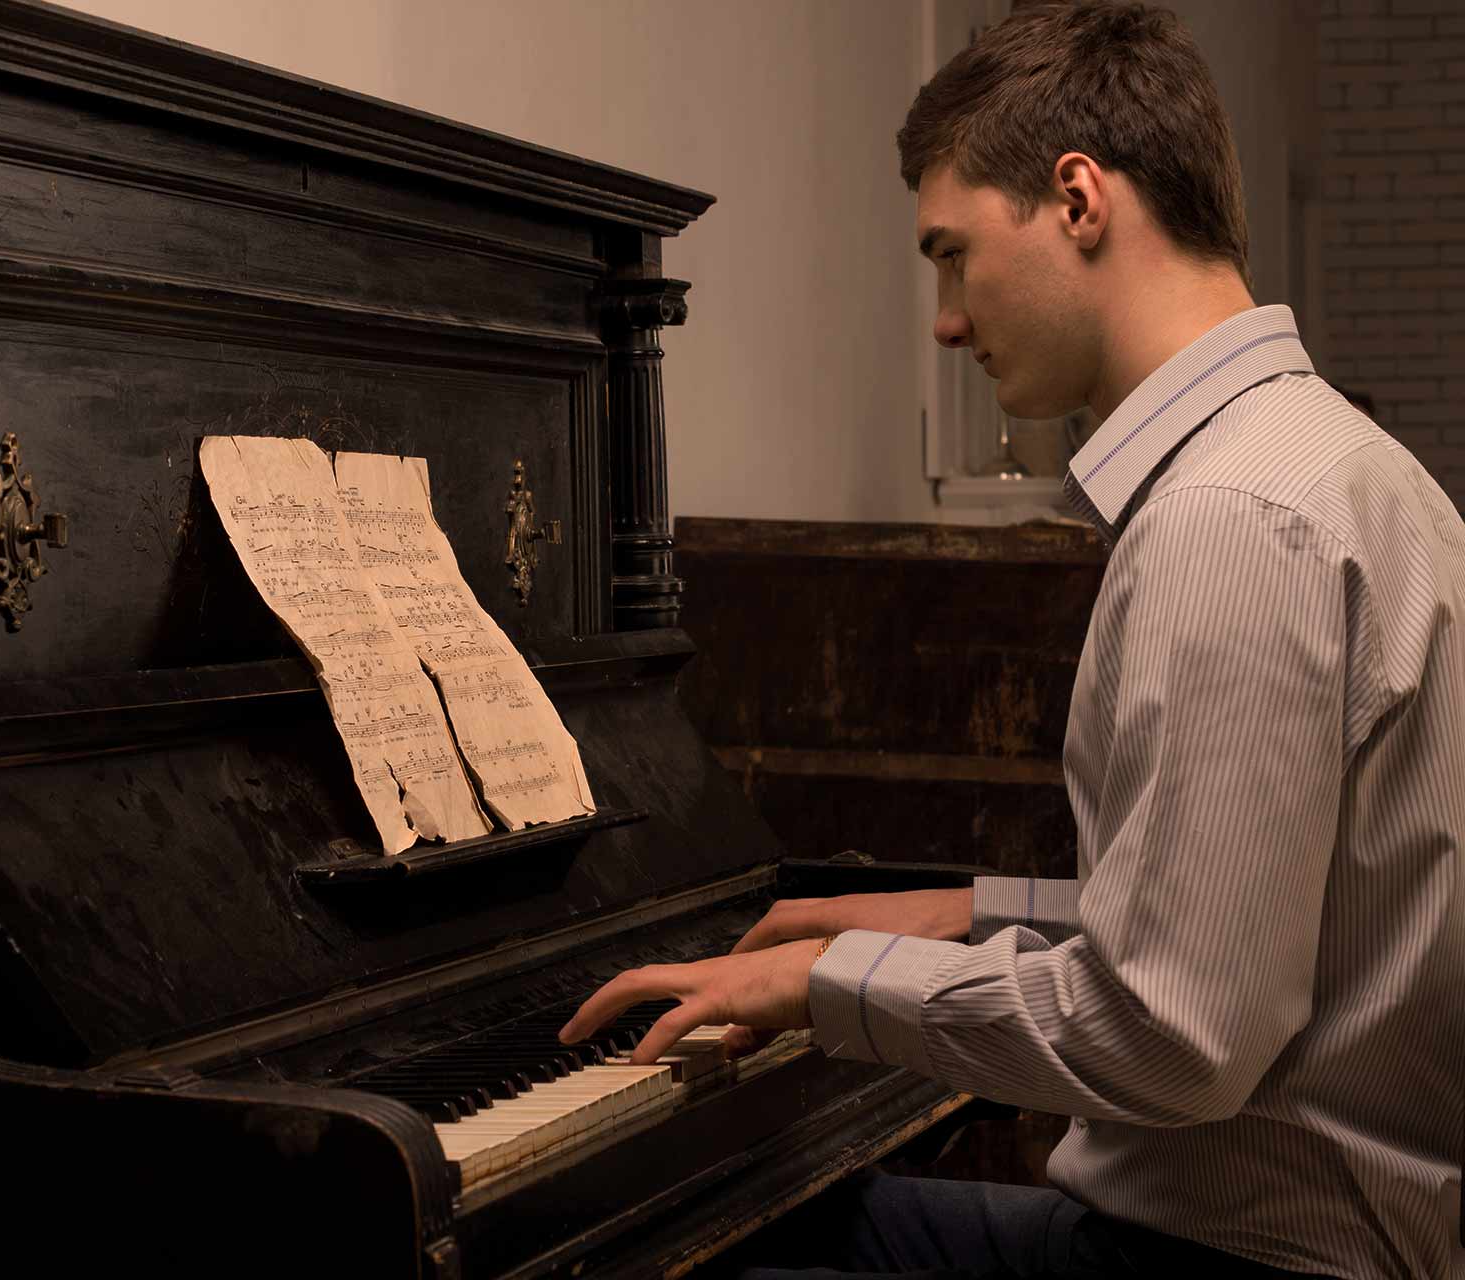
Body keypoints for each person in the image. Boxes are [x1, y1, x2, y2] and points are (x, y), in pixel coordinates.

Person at [560, 4, 1465, 1278]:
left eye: (951, 254)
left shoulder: (1230, 517)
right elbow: (1247, 921)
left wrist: (830, 986)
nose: (944, 318)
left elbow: (1176, 1036)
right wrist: (975, 914)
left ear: (1078, 199)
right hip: (1286, 1221)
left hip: (1249, 1250)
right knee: (760, 1226)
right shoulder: (1335, 468)